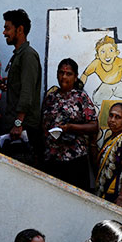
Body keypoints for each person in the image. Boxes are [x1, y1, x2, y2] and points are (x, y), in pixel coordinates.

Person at [41, 58, 98, 190]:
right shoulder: (50, 98)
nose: (64, 77)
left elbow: (94, 126)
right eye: (61, 73)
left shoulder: (81, 97)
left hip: (75, 159)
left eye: (68, 74)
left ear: (76, 77)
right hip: (52, 158)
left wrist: (71, 127)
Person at [2, 9, 42, 164]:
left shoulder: (28, 55)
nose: (4, 32)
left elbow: (27, 92)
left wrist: (18, 124)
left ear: (20, 30)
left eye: (7, 28)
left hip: (23, 128)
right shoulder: (19, 55)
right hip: (17, 126)